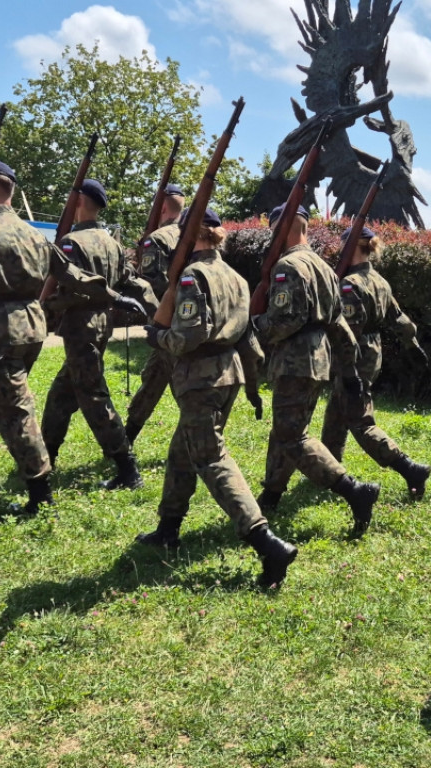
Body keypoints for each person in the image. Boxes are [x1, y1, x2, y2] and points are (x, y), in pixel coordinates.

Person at [0, 159, 143, 514]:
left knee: (15, 410)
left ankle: (40, 492)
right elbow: (73, 275)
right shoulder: (34, 233)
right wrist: (114, 296)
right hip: (31, 328)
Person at [136, 207, 296, 587]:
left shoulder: (193, 276)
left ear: (194, 236)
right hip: (229, 376)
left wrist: (155, 335)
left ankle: (266, 542)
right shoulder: (236, 278)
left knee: (211, 458)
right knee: (182, 449)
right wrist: (253, 386)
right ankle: (168, 527)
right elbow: (249, 340)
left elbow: (188, 335)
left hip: (200, 377)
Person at [251, 204, 380, 534]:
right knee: (287, 428)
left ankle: (354, 490)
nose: (271, 237)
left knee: (292, 435)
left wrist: (253, 326)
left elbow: (286, 319)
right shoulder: (323, 267)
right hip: (319, 360)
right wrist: (348, 368)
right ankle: (271, 495)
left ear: (287, 228)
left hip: (295, 360)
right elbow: (339, 325)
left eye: (274, 229)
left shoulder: (289, 265)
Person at [40, 179, 157, 490]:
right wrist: (157, 312)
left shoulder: (71, 242)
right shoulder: (112, 243)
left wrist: (51, 304)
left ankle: (127, 468)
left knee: (92, 396)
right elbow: (131, 281)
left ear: (79, 201)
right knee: (61, 393)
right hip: (102, 324)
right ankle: (43, 459)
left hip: (81, 326)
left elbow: (78, 286)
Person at [320, 225, 431, 498]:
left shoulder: (350, 285)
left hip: (355, 355)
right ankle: (327, 473)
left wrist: (346, 369)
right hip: (373, 350)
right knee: (336, 412)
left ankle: (409, 468)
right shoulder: (379, 280)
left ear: (353, 247)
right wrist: (412, 343)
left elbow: (349, 333)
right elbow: (400, 317)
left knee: (360, 421)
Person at [124, 183, 187, 445]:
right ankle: (126, 440)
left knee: (185, 390)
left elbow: (152, 285)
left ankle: (202, 443)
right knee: (152, 379)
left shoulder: (158, 239)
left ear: (161, 207)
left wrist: (128, 275)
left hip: (167, 326)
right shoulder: (190, 235)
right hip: (184, 321)